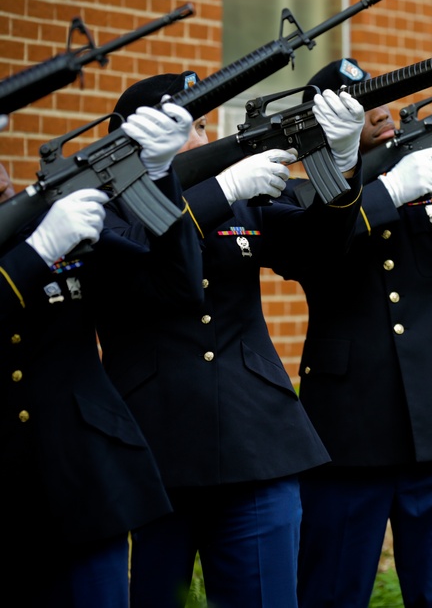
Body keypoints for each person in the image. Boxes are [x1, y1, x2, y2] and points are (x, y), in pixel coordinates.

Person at [93, 71, 365, 608]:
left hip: (256, 442)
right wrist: (220, 192)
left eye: (200, 126)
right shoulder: (99, 206)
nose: (201, 140)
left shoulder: (238, 194)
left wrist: (342, 165)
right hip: (155, 447)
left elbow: (319, 250)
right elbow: (141, 266)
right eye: (185, 128)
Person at [272, 58, 432, 608]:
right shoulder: (294, 198)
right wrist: (382, 190)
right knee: (331, 592)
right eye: (361, 104)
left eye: (382, 97)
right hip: (349, 429)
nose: (381, 110)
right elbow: (314, 253)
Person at [1, 102, 198, 607]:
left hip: (84, 486)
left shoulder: (44, 221)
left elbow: (173, 287)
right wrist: (35, 256)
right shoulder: (39, 239)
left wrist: (157, 179)